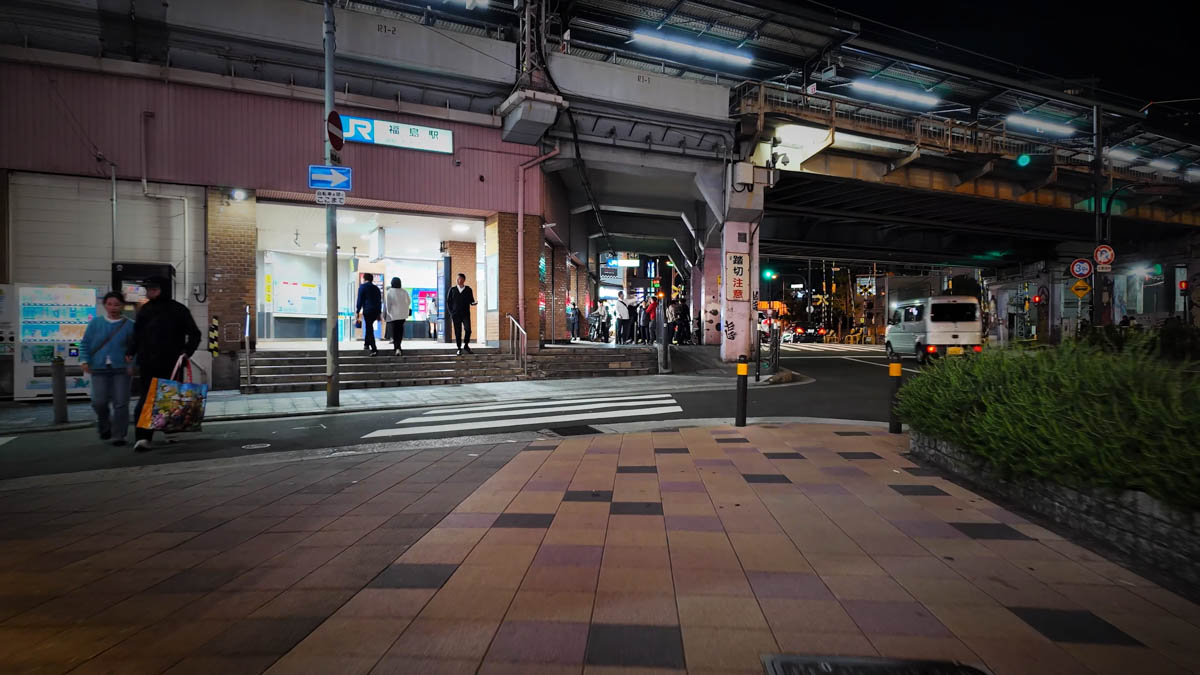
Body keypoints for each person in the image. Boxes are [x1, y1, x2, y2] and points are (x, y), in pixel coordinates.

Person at [127, 277, 201, 452]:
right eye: (148, 289)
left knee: (170, 398)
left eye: (154, 289)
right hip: (148, 362)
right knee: (148, 399)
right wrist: (131, 351)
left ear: (163, 289)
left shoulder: (178, 310)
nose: (150, 292)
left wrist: (186, 352)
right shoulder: (145, 310)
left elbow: (195, 334)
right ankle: (144, 437)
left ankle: (170, 431)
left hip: (172, 362)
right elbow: (137, 334)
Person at [80, 291, 136, 446]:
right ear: (104, 305)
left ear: (122, 306)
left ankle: (119, 435)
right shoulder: (96, 323)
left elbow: (135, 347)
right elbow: (85, 343)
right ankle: (105, 425)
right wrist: (84, 360)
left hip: (121, 368)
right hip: (98, 367)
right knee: (99, 402)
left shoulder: (130, 325)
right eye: (109, 304)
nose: (112, 307)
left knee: (121, 403)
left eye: (116, 304)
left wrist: (132, 364)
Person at [447, 272, 476, 355]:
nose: (457, 280)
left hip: (465, 314)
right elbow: (448, 302)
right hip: (455, 314)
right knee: (457, 331)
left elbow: (471, 301)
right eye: (457, 279)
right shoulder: (452, 290)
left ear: (463, 280)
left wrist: (474, 303)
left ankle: (466, 345)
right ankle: (459, 348)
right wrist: (451, 313)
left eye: (459, 278)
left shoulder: (468, 290)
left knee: (468, 330)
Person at [383, 277, 412, 357]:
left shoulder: (389, 292)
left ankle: (397, 347)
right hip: (403, 315)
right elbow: (409, 302)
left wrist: (389, 313)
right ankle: (398, 346)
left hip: (393, 315)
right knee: (400, 330)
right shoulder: (404, 291)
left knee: (394, 331)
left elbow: (388, 304)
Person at [356, 273, 382, 356]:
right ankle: (366, 344)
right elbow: (379, 301)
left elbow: (360, 300)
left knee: (369, 328)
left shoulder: (362, 287)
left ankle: (374, 349)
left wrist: (357, 311)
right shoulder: (376, 288)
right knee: (369, 326)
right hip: (375, 311)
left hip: (368, 311)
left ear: (364, 279)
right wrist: (379, 313)